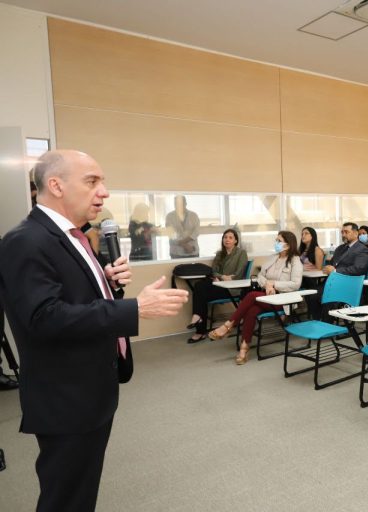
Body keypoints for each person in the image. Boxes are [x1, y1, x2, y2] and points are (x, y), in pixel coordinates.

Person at [0, 150, 188, 512]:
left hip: (90, 391)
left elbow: (72, 297)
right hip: (66, 398)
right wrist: (133, 308)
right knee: (66, 499)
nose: (103, 192)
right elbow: (44, 317)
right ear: (55, 185)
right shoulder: (25, 240)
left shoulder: (74, 236)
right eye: (92, 181)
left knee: (79, 494)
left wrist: (109, 284)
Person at [209, 231, 302, 364]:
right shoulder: (273, 257)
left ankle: (228, 325)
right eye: (276, 240)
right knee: (251, 310)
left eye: (279, 241)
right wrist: (268, 285)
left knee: (251, 295)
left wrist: (274, 284)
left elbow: (295, 284)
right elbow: (260, 276)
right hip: (266, 296)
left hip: (283, 300)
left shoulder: (295, 260)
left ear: (288, 245)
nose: (276, 243)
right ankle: (244, 347)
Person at [187, 229, 249, 342]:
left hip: (232, 288)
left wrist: (227, 278)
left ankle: (199, 327)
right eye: (225, 237)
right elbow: (213, 271)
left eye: (230, 237)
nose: (227, 240)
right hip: (220, 285)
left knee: (200, 290)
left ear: (236, 241)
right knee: (199, 286)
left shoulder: (241, 253)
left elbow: (239, 273)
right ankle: (198, 321)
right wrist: (221, 277)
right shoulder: (220, 254)